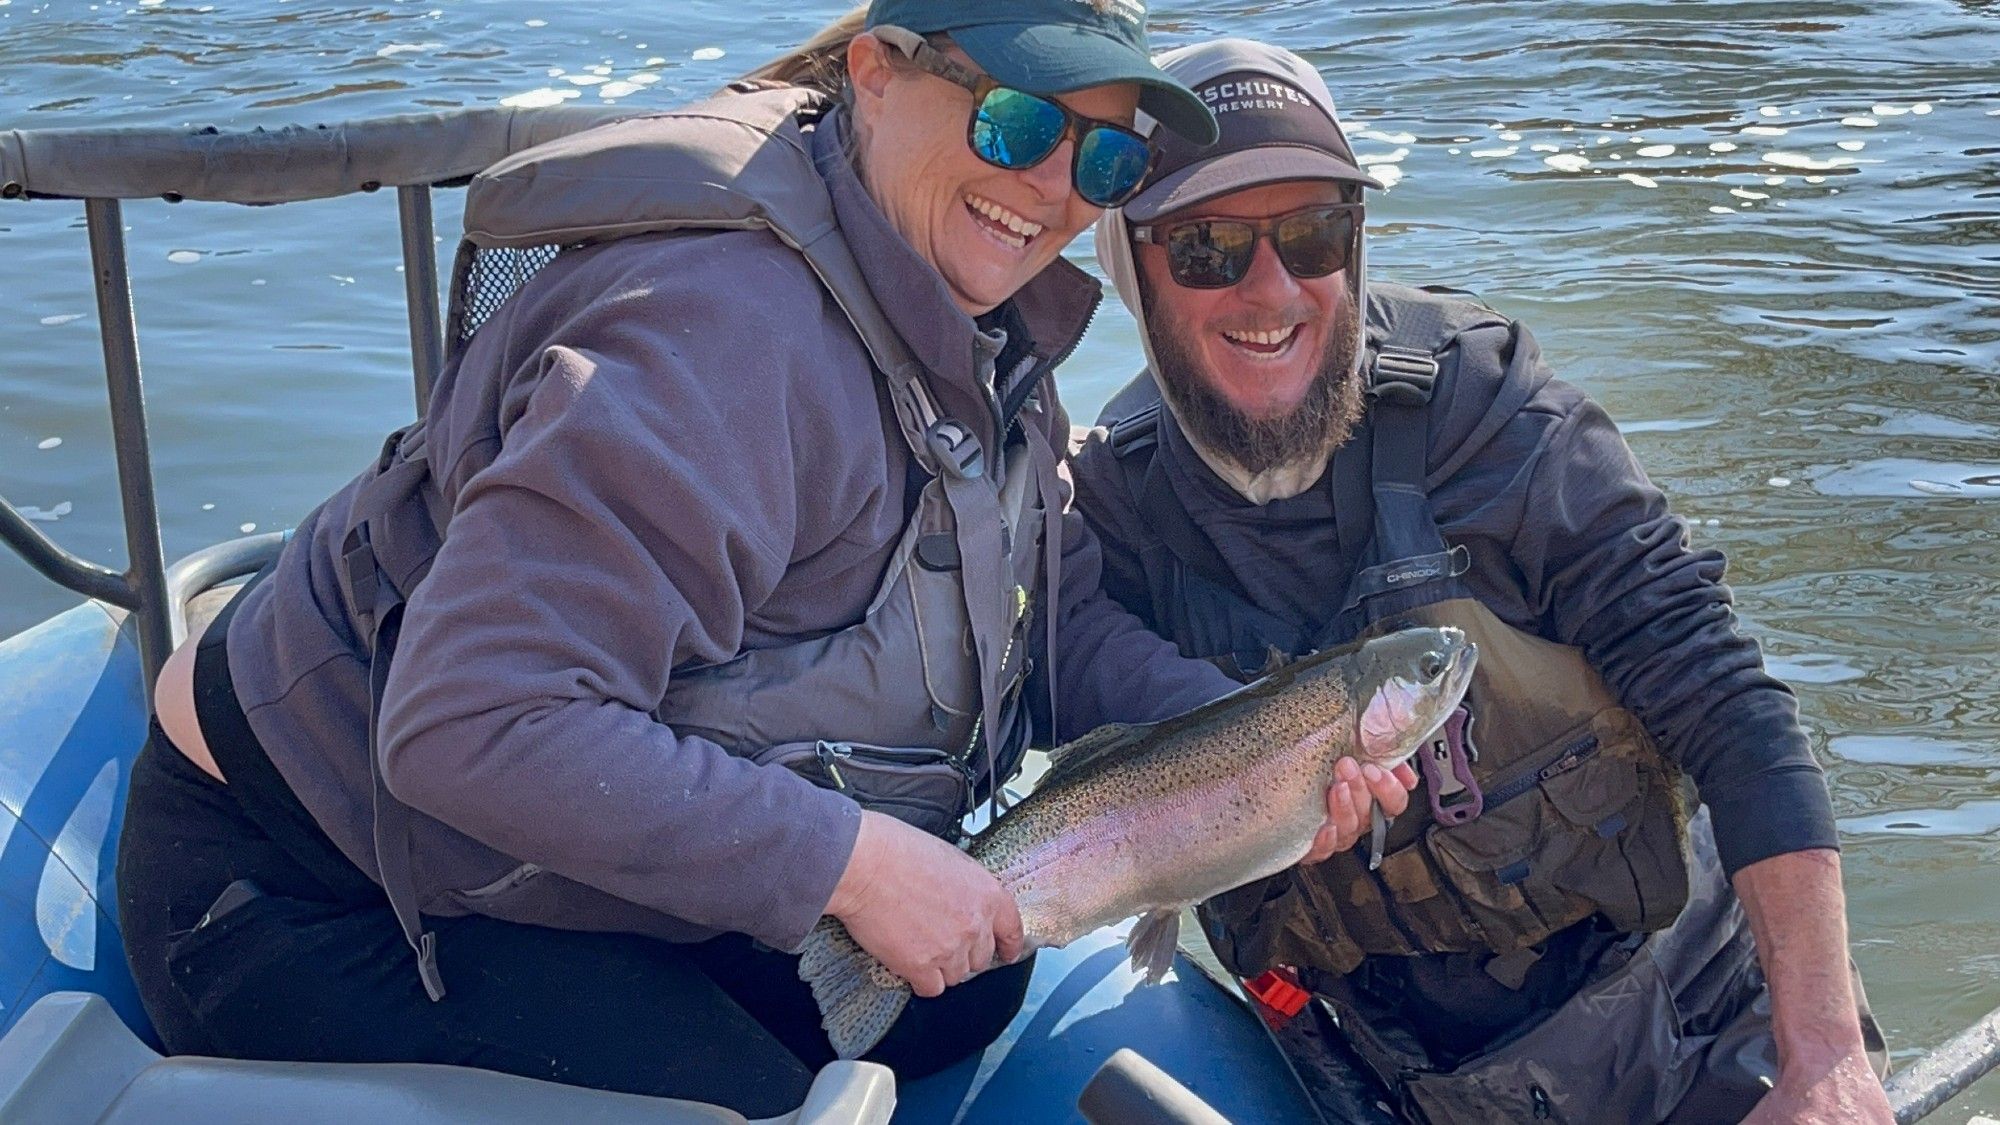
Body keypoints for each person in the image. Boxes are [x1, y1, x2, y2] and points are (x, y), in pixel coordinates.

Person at [110, 3, 1289, 1116]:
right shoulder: (721, 334)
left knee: (956, 998)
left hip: (528, 852)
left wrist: (1268, 743)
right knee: (761, 1106)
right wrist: (855, 864)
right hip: (306, 884)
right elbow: (470, 720)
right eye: (1018, 120)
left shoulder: (966, 304)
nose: (1050, 189)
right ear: (876, 72)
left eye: (1102, 161)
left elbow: (1047, 622)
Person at [1070, 38, 1894, 1125]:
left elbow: (1727, 705)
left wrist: (1823, 1057)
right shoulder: (1106, 510)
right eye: (1207, 248)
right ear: (1131, 267)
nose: (1270, 289)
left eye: (1315, 234)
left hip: (1688, 1018)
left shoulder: (1494, 416)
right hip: (1376, 1075)